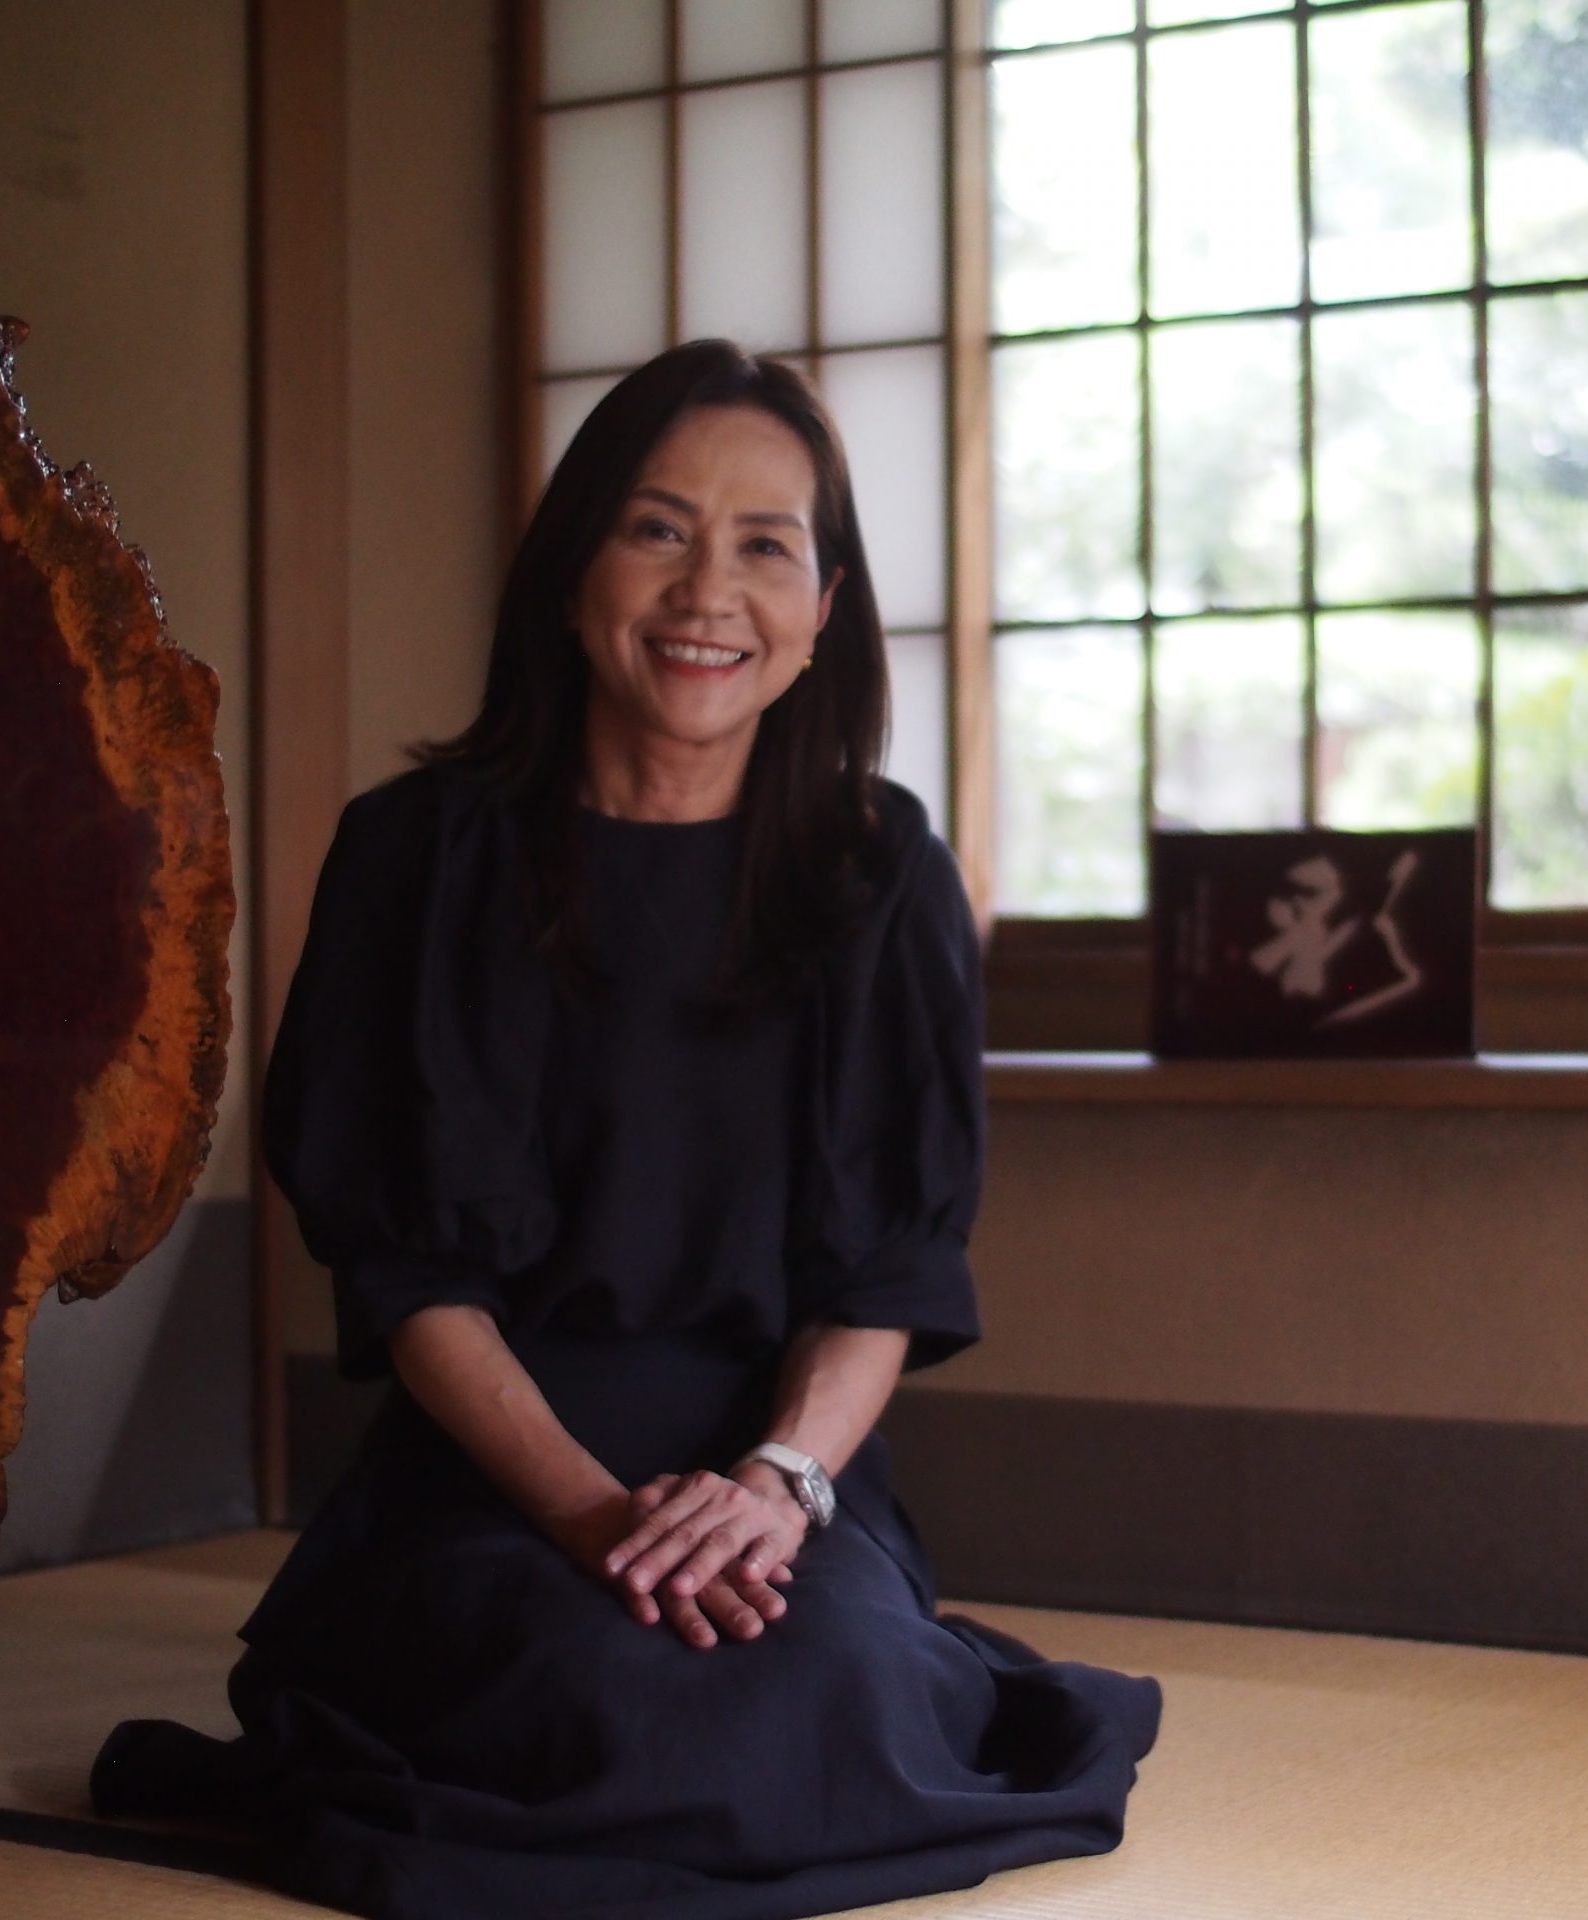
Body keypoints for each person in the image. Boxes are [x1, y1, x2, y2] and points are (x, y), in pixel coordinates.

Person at [89, 340, 1162, 1919]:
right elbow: (406, 1274)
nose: (706, 593)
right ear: (572, 569)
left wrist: (774, 1486)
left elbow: (888, 1272)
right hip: (493, 1467)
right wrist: (592, 1514)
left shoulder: (879, 874)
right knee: (591, 1704)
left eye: (765, 547)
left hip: (774, 1470)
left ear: (824, 607)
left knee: (826, 1699)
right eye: (658, 529)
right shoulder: (416, 858)